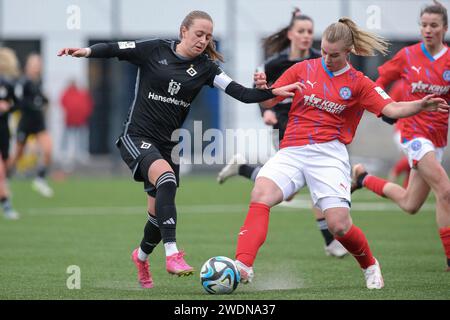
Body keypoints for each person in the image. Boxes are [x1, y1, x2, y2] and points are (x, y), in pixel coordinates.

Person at [57, 10, 302, 289]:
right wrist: (85, 51)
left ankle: (141, 256)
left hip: (168, 144)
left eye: (208, 36)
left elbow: (242, 93)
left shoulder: (206, 68)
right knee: (167, 180)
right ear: (183, 31)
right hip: (136, 136)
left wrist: (274, 91)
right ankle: (173, 254)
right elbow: (115, 48)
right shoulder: (154, 49)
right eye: (199, 34)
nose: (203, 40)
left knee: (157, 215)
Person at [233, 17, 448, 290]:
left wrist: (420, 105)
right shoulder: (302, 69)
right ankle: (243, 265)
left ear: (348, 52)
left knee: (339, 227)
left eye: (334, 54)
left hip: (329, 154)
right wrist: (263, 89)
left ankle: (370, 264)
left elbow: (392, 109)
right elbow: (270, 100)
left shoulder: (359, 83)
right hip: (293, 149)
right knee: (260, 195)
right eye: (323, 51)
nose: (327, 58)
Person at [217, 8, 348, 258]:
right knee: (299, 187)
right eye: (301, 31)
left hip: (315, 125)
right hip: (286, 124)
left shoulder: (319, 61)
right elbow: (262, 93)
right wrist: (265, 113)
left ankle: (244, 168)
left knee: (300, 188)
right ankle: (331, 242)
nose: (306, 36)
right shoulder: (275, 63)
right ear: (290, 34)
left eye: (310, 32)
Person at [351, 0, 450, 272]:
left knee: (410, 204)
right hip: (414, 134)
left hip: (438, 139)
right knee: (446, 190)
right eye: (424, 25)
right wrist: (384, 109)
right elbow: (377, 83)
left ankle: (362, 178)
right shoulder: (407, 56)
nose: (428, 30)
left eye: (434, 25)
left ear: (444, 28)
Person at [9, 53, 54, 198]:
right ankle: (5, 178)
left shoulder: (37, 82)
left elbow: (43, 99)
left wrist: (44, 101)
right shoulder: (23, 82)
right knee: (18, 155)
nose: (37, 67)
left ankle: (40, 179)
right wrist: (35, 104)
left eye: (39, 64)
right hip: (26, 123)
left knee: (47, 150)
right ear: (28, 66)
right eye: (34, 64)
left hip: (39, 123)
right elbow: (19, 102)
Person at [0, 47, 21, 219]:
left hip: (4, 130)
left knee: (6, 166)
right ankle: (7, 205)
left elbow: (17, 104)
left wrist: (8, 107)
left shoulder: (6, 85)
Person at [60, 79, 94, 171]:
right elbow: (62, 102)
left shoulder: (81, 93)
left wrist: (85, 114)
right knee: (68, 139)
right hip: (70, 121)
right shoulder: (67, 93)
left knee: (81, 138)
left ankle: (81, 155)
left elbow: (88, 104)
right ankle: (66, 156)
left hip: (81, 121)